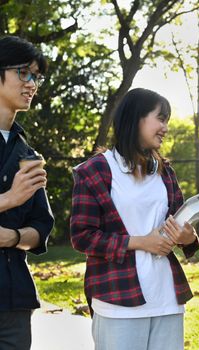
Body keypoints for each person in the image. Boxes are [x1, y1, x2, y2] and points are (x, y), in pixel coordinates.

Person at [70, 88, 199, 350]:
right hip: (118, 299)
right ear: (136, 118)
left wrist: (187, 237)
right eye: (160, 119)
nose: (165, 127)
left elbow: (181, 224)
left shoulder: (165, 171)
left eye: (167, 120)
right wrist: (140, 242)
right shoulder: (95, 170)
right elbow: (82, 236)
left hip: (166, 298)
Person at [0, 35, 54, 350]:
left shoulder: (27, 153)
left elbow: (41, 226)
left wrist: (15, 238)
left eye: (36, 76)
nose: (32, 83)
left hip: (15, 302)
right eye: (24, 72)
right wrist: (9, 199)